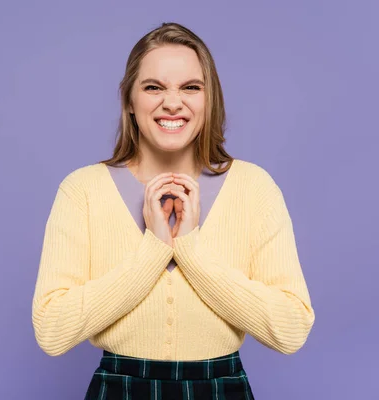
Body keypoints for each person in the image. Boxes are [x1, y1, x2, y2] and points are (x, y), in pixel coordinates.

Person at [31, 22, 314, 399]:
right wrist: (154, 249)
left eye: (191, 88)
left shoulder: (253, 187)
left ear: (209, 98)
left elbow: (291, 329)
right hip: (120, 387)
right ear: (129, 101)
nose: (173, 102)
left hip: (220, 387)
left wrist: (190, 249)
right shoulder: (82, 190)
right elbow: (52, 332)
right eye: (154, 87)